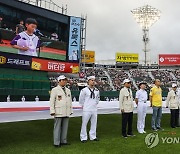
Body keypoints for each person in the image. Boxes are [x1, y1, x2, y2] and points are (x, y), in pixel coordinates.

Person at [50, 75, 73, 148]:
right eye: (62, 80)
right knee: (57, 127)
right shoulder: (55, 90)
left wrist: (71, 110)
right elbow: (52, 101)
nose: (64, 81)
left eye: (65, 80)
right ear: (59, 81)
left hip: (66, 111)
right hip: (58, 111)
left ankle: (63, 141)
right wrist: (52, 111)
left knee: (65, 127)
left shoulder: (68, 90)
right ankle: (56, 142)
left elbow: (70, 101)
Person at [79, 76, 100, 143]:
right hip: (87, 109)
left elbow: (97, 99)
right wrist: (84, 106)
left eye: (94, 80)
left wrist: (94, 104)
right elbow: (81, 99)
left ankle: (93, 136)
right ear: (88, 81)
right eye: (91, 80)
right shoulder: (84, 90)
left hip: (94, 109)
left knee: (94, 123)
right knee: (84, 123)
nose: (93, 81)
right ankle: (83, 137)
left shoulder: (97, 90)